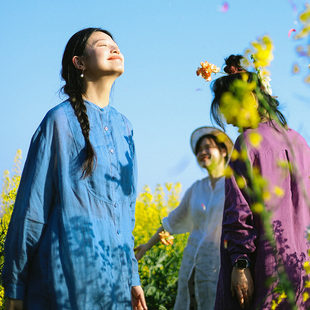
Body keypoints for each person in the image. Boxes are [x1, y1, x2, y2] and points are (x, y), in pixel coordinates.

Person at [2, 28, 147, 310]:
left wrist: (132, 277)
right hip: (66, 281)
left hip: (115, 285)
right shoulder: (58, 121)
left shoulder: (125, 127)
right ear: (79, 62)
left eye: (116, 45)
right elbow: (31, 210)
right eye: (103, 44)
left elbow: (125, 212)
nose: (114, 48)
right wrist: (15, 287)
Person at [211, 54, 310, 309]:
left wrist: (240, 264)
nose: (230, 121)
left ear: (252, 100)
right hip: (300, 268)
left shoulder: (248, 144)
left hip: (262, 268)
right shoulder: (299, 142)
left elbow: (239, 213)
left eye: (229, 110)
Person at [134, 126, 233, 310]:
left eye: (207, 147)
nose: (202, 152)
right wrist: (147, 246)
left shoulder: (233, 186)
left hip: (219, 268)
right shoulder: (196, 189)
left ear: (223, 151)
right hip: (191, 268)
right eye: (198, 150)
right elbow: (172, 222)